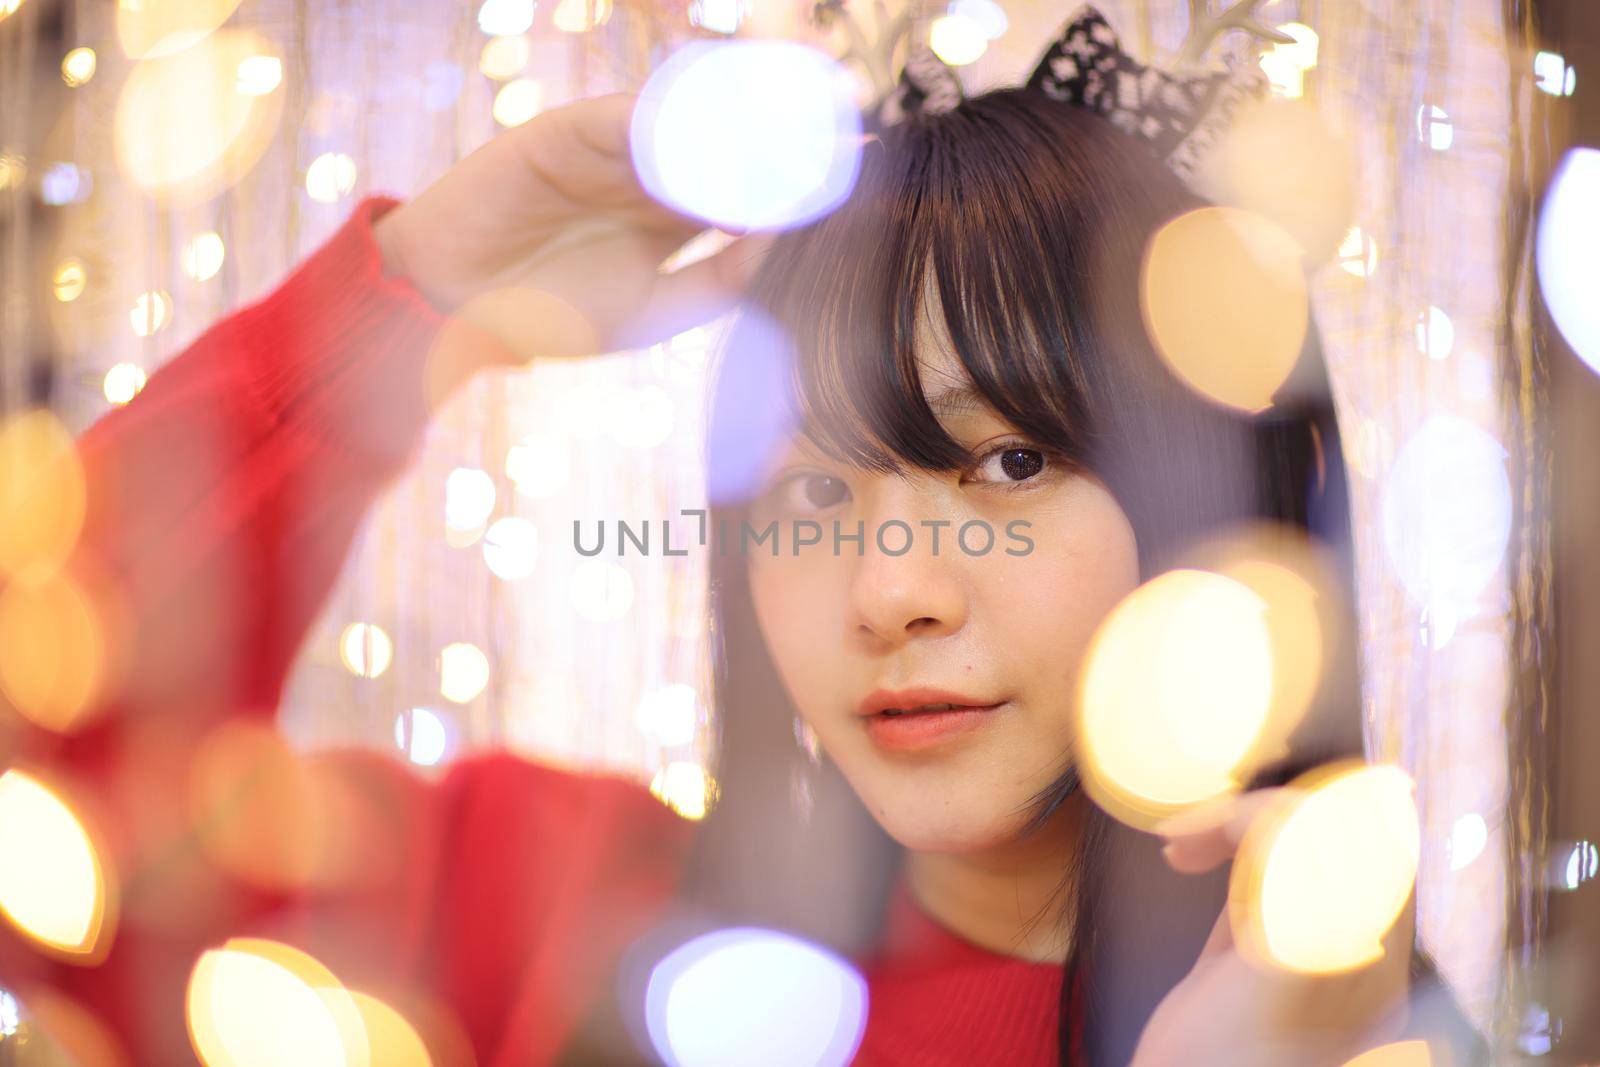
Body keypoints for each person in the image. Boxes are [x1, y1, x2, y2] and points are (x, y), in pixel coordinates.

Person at [0, 83, 1484, 1067]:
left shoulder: (1343, 1032)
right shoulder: (546, 910)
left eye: (1010, 465)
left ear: (1217, 490)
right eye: (813, 491)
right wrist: (425, 295)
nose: (888, 592)